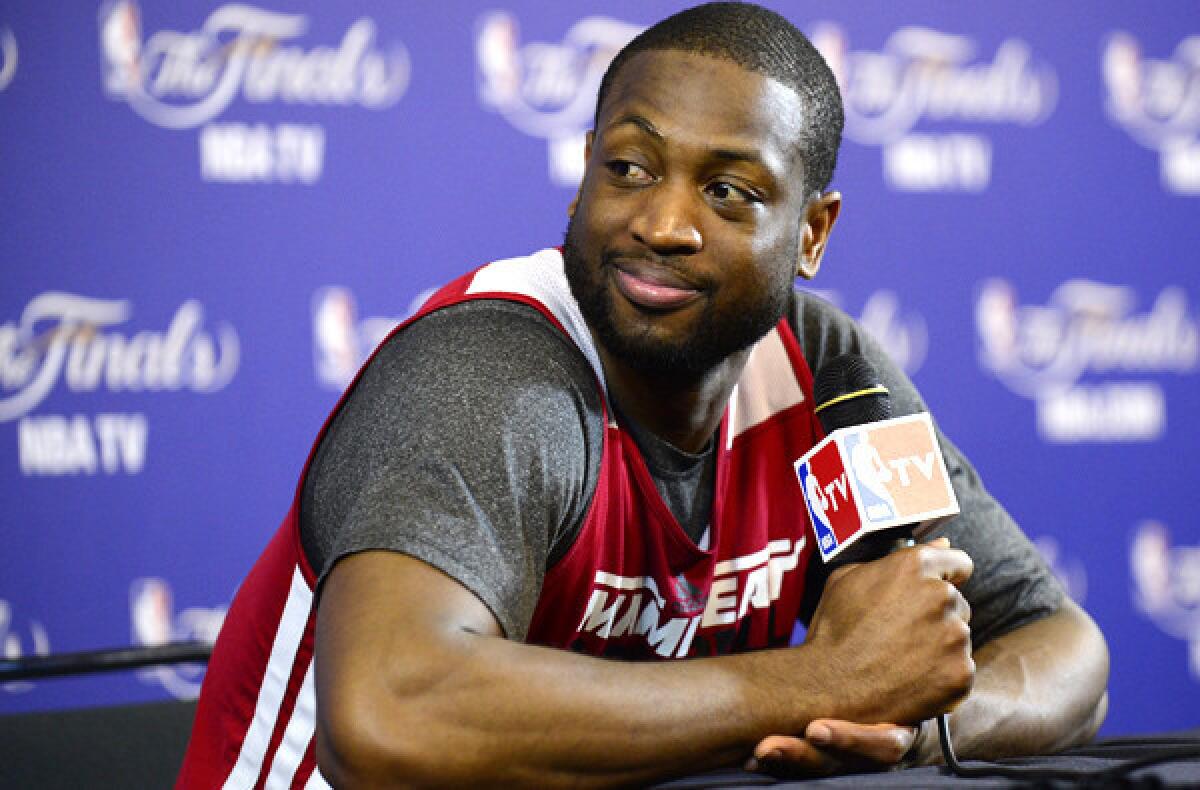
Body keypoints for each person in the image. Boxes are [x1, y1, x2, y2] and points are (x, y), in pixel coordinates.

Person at [178, 3, 1109, 787]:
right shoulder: (495, 372)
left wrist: (914, 725)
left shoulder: (826, 380)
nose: (662, 224)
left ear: (813, 232)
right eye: (628, 168)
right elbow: (387, 717)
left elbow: (1062, 650)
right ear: (584, 171)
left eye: (729, 191)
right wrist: (819, 680)